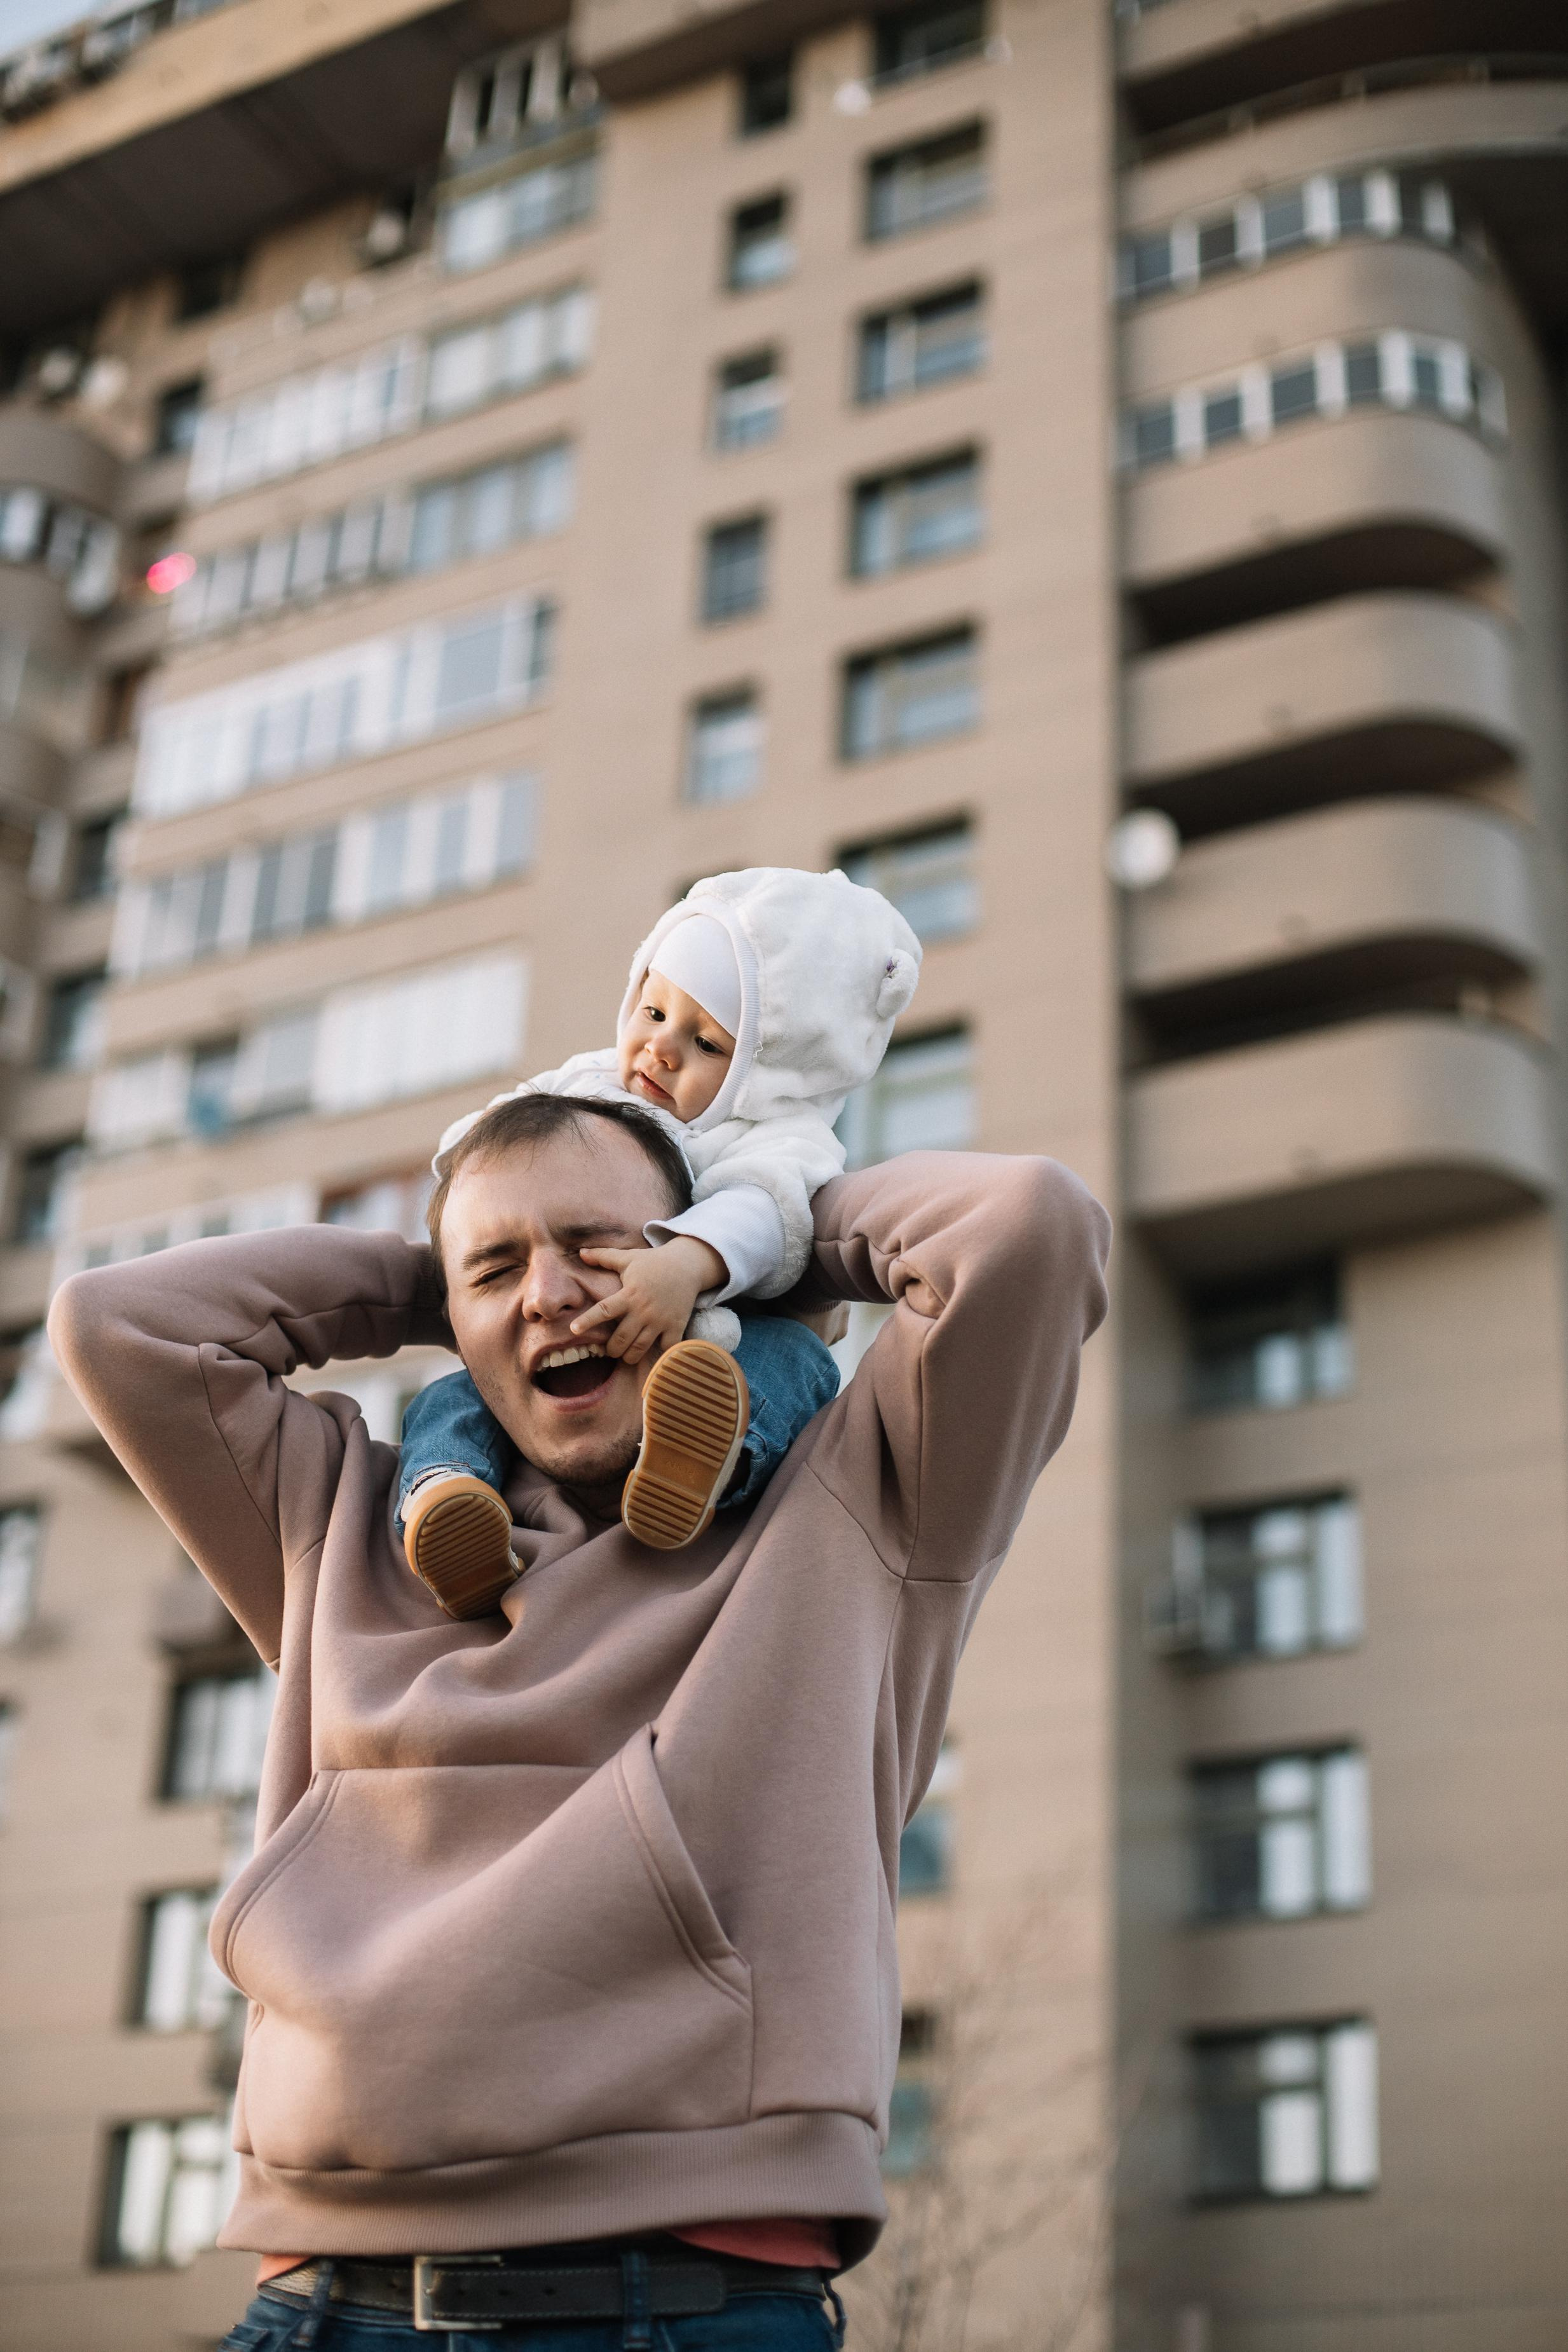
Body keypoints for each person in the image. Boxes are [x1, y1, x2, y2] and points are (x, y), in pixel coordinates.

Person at [48, 1090, 1110, 2352]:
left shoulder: (862, 1505)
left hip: (677, 2304)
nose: (552, 1292)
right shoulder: (339, 1520)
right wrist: (438, 1281)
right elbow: (120, 1326)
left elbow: (1026, 1224)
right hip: (323, 2305)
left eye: (599, 1247)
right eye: (497, 1265)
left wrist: (746, 1237)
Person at [398, 866, 923, 1620]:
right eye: (652, 1010)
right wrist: (446, 1248)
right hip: (603, 1343)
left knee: (795, 1359)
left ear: (767, 1069)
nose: (661, 1049)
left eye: (705, 1042)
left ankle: (708, 1455)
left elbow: (767, 1209)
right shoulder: (593, 1084)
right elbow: (508, 1128)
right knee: (450, 1399)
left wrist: (686, 1262)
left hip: (716, 1338)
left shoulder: (776, 1134)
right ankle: (444, 1500)